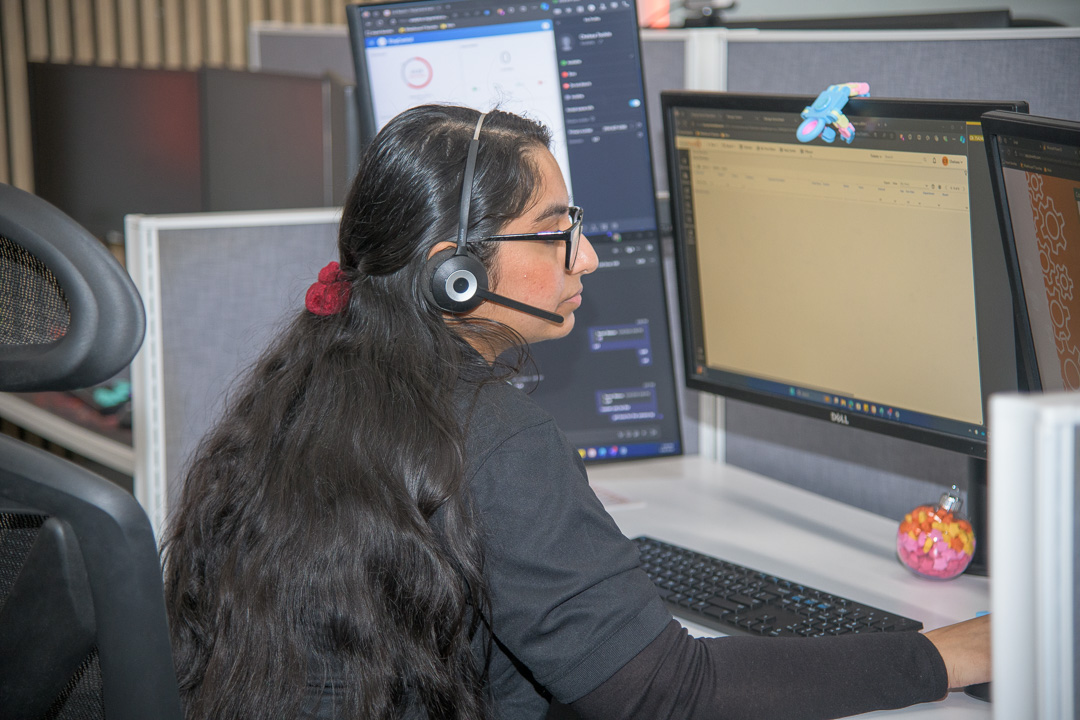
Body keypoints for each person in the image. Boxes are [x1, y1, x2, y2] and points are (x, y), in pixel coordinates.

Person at [162, 104, 990, 720]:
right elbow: (667, 691)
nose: (585, 255)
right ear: (457, 273)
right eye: (554, 230)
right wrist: (943, 654)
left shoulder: (308, 379)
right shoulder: (490, 437)